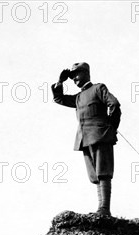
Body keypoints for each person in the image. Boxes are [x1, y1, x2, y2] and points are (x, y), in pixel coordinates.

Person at [51, 62, 121, 216]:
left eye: (77, 74)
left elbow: (114, 104)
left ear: (86, 73)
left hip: (100, 135)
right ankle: (101, 209)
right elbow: (59, 99)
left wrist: (111, 128)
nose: (74, 78)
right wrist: (60, 82)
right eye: (72, 76)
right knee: (95, 175)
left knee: (103, 172)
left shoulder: (98, 88)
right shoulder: (78, 97)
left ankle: (105, 209)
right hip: (85, 138)